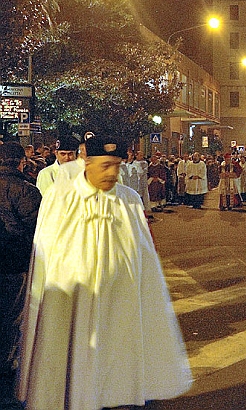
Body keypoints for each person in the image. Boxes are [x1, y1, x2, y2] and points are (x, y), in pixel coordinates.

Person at [16, 135, 192, 409]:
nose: (112, 173)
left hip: (120, 305)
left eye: (117, 166)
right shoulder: (60, 199)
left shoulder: (129, 200)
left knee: (117, 373)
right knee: (74, 366)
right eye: (105, 165)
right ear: (87, 162)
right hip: (72, 303)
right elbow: (47, 254)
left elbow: (144, 255)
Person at [0, 143, 42, 386]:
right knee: (10, 318)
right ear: (21, 161)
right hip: (15, 264)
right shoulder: (26, 190)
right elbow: (37, 230)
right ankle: (6, 367)